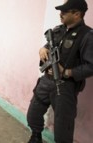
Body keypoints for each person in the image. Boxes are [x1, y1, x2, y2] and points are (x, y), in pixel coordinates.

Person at [26, 0, 93, 143]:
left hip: (65, 86)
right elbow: (48, 47)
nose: (60, 14)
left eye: (64, 12)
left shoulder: (87, 35)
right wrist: (42, 49)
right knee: (33, 113)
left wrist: (68, 72)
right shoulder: (58, 30)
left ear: (77, 14)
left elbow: (91, 66)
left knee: (63, 125)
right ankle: (36, 136)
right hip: (46, 81)